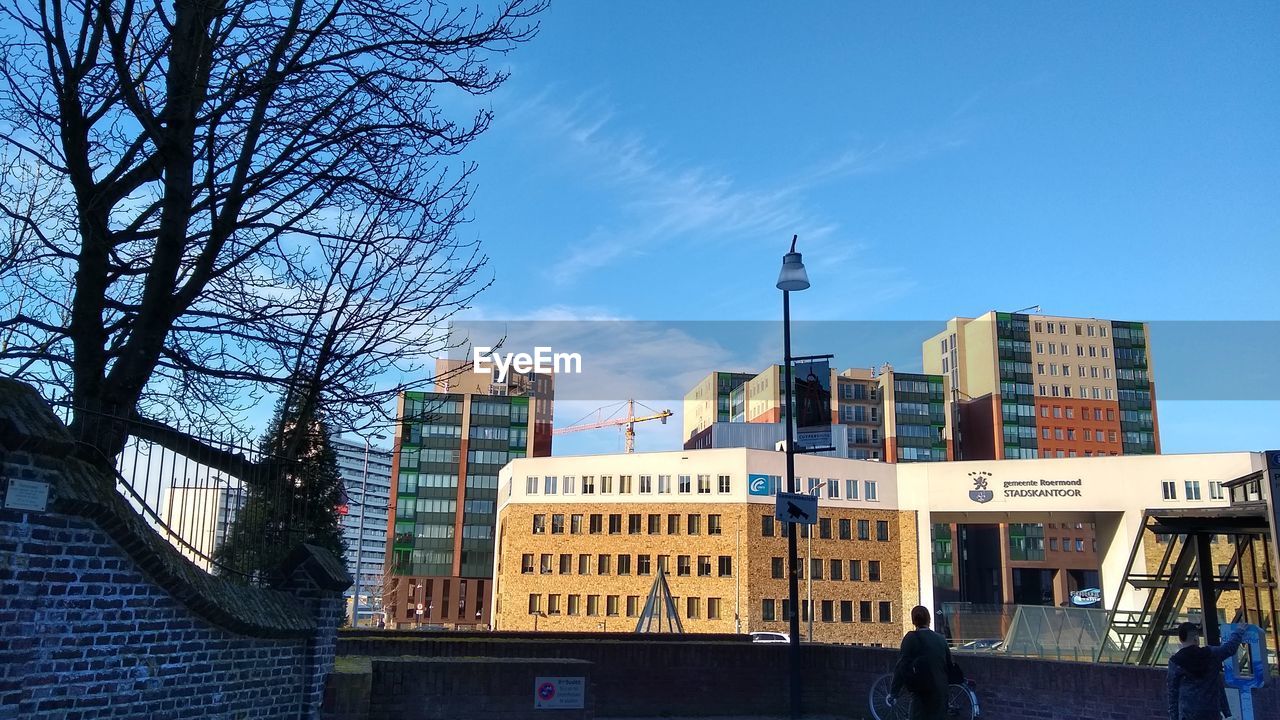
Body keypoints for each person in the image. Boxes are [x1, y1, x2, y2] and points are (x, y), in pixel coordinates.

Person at [1166, 622, 1244, 720]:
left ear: (1181, 639)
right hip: (1211, 711)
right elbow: (1230, 648)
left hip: (1188, 713)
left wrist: (1174, 717)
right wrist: (1239, 631)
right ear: (1196, 638)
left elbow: (1172, 693)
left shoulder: (1175, 662)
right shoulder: (1211, 654)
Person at [890, 605, 953, 720]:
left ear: (914, 621)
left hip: (922, 691)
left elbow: (901, 666)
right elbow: (949, 665)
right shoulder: (940, 638)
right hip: (941, 691)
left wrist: (893, 692)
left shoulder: (911, 638)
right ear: (929, 619)